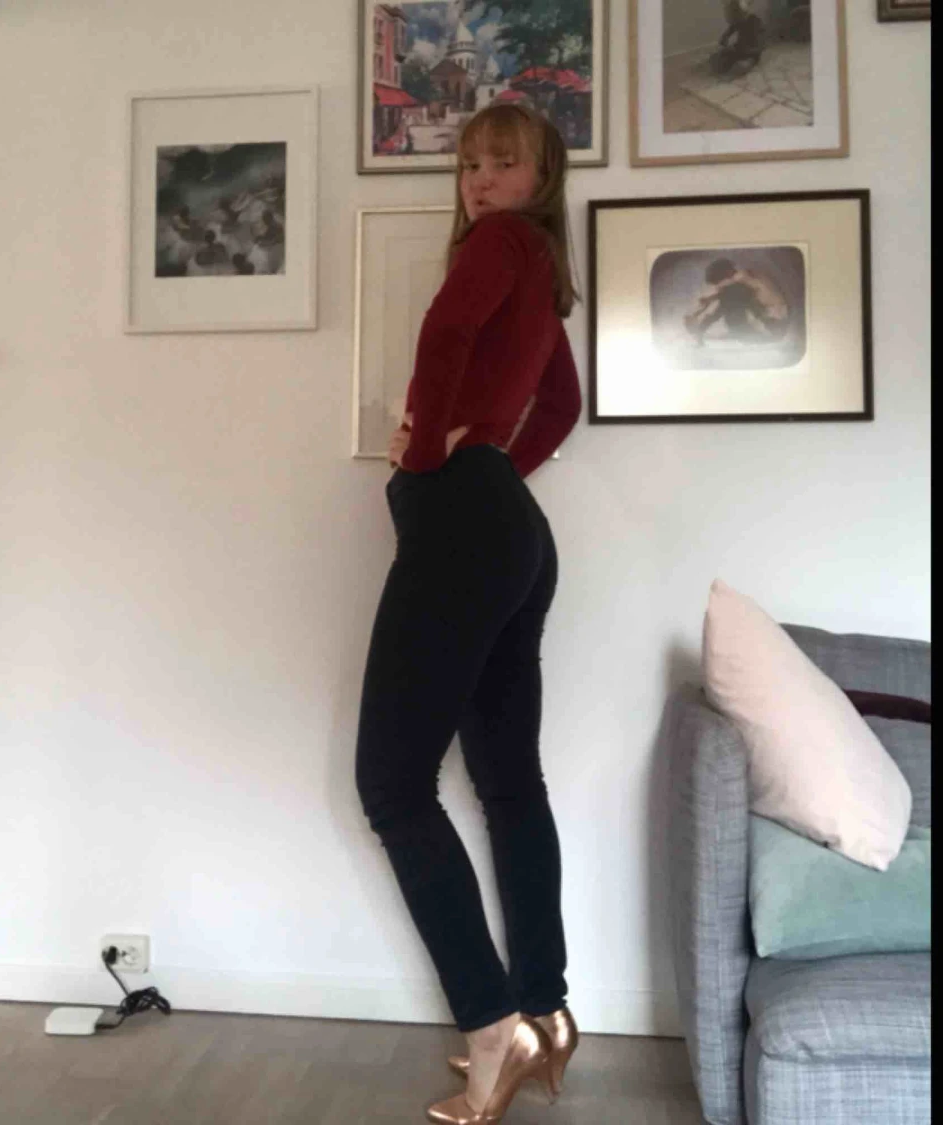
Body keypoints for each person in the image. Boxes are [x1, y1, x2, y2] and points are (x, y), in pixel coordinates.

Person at [354, 102, 583, 1124]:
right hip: (514, 533)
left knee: (393, 785)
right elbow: (561, 406)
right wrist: (492, 463)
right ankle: (545, 1007)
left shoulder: (496, 246)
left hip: (464, 522)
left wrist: (426, 458)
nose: (480, 181)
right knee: (506, 782)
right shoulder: (544, 269)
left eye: (502, 163)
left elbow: (447, 331)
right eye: (470, 165)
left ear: (541, 177)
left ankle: (494, 1028)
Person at [683, 257, 789, 346]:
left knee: (730, 300)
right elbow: (722, 295)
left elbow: (726, 293)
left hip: (768, 316)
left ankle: (701, 331)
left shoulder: (740, 278)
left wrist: (701, 309)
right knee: (729, 301)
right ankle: (701, 331)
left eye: (719, 283)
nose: (718, 286)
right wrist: (708, 301)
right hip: (768, 316)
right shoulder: (738, 281)